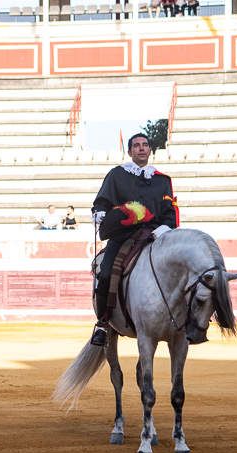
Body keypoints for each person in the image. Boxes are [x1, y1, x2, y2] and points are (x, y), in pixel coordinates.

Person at [88, 132, 180, 347]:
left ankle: (188, 320)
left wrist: (164, 229)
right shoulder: (117, 175)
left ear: (150, 150)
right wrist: (100, 214)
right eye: (136, 146)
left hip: (157, 236)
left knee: (183, 269)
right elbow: (101, 202)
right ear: (129, 152)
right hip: (124, 236)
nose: (141, 148)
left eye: (145, 145)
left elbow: (171, 211)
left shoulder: (162, 180)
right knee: (107, 271)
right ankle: (102, 323)